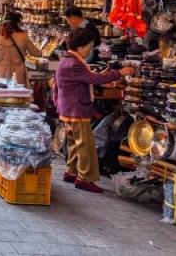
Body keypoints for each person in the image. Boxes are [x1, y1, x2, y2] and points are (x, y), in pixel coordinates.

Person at [56, 28, 135, 193]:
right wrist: (119, 73)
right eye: (89, 47)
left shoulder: (67, 60)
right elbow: (93, 78)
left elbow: (89, 77)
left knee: (74, 142)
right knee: (86, 145)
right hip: (76, 108)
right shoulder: (74, 64)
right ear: (79, 46)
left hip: (69, 108)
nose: (90, 51)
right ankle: (84, 178)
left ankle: (71, 171)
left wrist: (103, 75)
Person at [0, 12, 42, 85]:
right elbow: (36, 53)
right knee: (17, 94)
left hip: (2, 73)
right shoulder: (23, 36)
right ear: (17, 24)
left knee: (2, 95)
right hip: (18, 73)